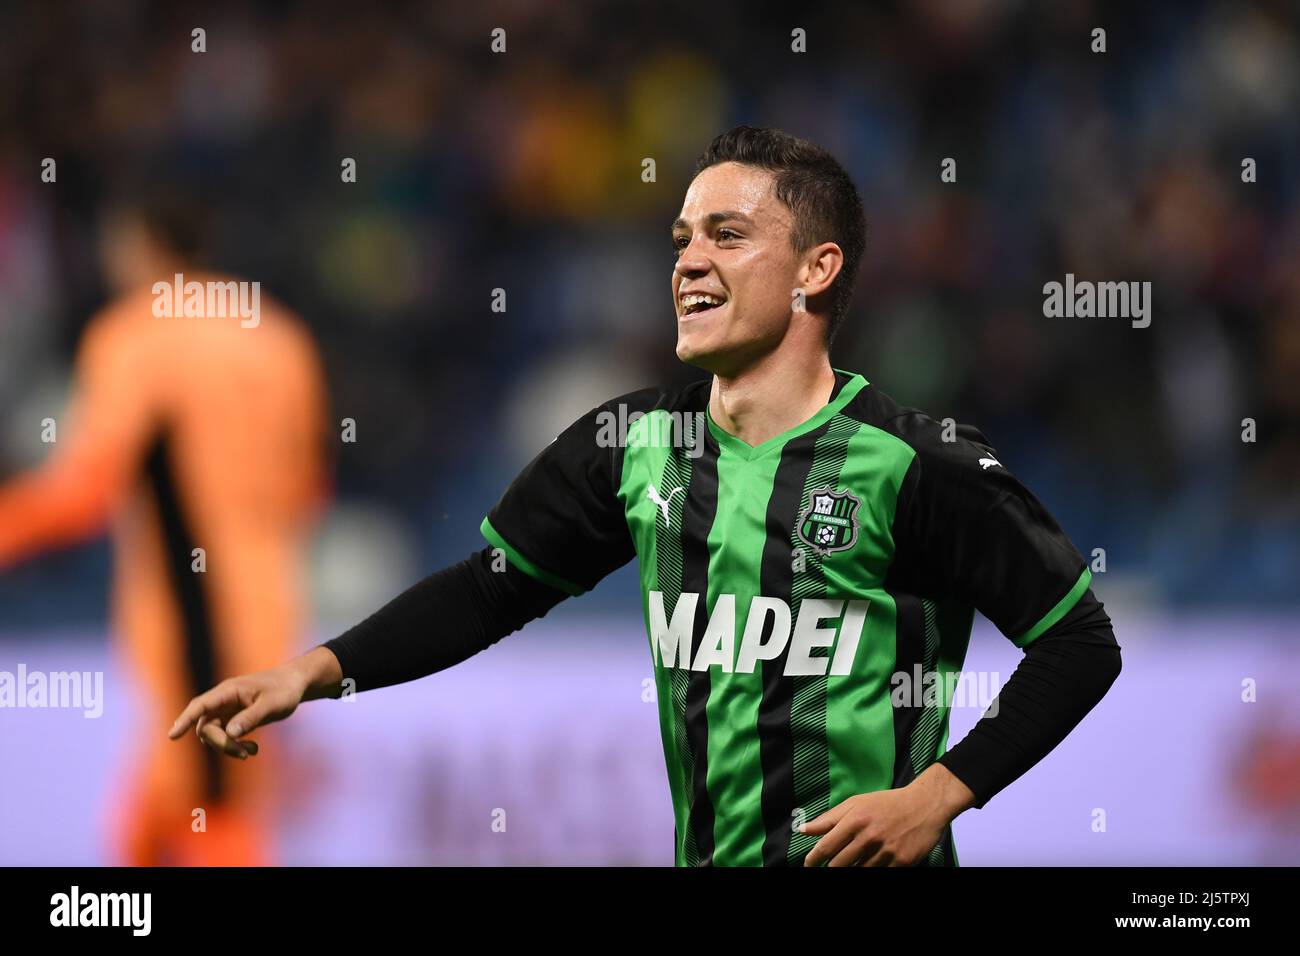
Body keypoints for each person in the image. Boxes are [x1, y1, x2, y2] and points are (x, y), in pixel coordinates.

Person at [170, 126, 1121, 867]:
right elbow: (492, 587)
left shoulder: (917, 464)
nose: (688, 260)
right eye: (682, 238)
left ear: (815, 271)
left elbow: (1078, 644)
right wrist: (314, 671)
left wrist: (939, 794)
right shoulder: (633, 444)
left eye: (728, 234)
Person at [0, 192, 330, 865]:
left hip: (193, 620)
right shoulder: (280, 337)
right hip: (272, 608)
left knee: (218, 818)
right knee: (153, 818)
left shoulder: (136, 337)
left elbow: (87, 491)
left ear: (138, 245)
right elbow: (310, 489)